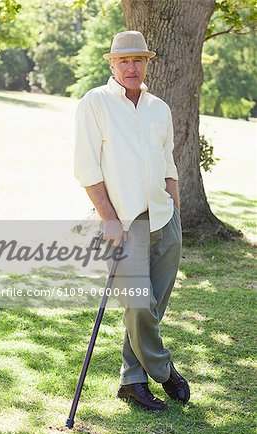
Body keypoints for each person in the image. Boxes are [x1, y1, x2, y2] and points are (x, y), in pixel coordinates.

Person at [74, 30, 190, 411]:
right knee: (139, 306)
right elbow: (86, 167)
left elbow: (168, 160)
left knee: (151, 309)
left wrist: (174, 202)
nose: (131, 67)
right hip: (123, 223)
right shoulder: (96, 103)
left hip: (164, 219)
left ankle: (132, 381)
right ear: (111, 64)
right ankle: (164, 371)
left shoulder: (159, 108)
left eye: (138, 60)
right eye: (124, 60)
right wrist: (108, 218)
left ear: (147, 63)